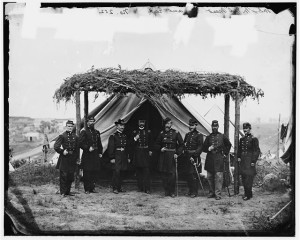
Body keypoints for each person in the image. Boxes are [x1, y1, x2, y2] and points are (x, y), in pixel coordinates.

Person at [202, 120, 232, 200]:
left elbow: (228, 145)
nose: (214, 128)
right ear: (211, 127)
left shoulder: (222, 136)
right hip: (210, 158)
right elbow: (203, 148)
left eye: (216, 126)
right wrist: (208, 148)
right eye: (213, 126)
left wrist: (225, 154)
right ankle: (211, 193)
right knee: (209, 177)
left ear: (218, 127)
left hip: (219, 158)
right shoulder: (208, 137)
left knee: (218, 177)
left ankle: (218, 194)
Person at [154, 117, 184, 197]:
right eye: (166, 123)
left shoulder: (176, 133)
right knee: (164, 174)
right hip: (163, 155)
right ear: (164, 124)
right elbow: (156, 144)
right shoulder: (161, 133)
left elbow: (181, 145)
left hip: (172, 155)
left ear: (171, 124)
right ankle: (166, 190)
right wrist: (160, 148)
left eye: (169, 123)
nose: (167, 125)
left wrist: (177, 153)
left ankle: (172, 191)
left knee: (172, 174)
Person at [54, 120, 79, 197]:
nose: (70, 128)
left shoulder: (76, 136)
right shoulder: (62, 136)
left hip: (72, 158)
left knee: (70, 176)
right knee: (64, 176)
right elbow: (56, 146)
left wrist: (78, 158)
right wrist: (62, 151)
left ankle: (68, 191)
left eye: (71, 126)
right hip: (64, 158)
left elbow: (77, 149)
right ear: (66, 127)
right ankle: (63, 192)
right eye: (68, 126)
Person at [79, 116, 103, 194]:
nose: (92, 122)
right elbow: (80, 143)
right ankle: (87, 189)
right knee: (87, 172)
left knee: (94, 171)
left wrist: (100, 152)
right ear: (87, 122)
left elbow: (99, 143)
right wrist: (87, 148)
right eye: (90, 121)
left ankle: (92, 188)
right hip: (87, 155)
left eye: (93, 121)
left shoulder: (97, 132)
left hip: (95, 155)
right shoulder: (84, 131)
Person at [237, 122, 260, 200]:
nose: (245, 130)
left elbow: (256, 151)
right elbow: (239, 149)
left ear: (250, 129)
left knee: (249, 179)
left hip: (250, 162)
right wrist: (239, 157)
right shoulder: (242, 139)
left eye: (246, 128)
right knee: (244, 178)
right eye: (244, 129)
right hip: (243, 162)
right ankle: (246, 193)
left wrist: (253, 161)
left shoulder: (254, 139)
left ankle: (248, 194)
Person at [108, 119, 131, 194]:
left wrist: (127, 157)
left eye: (123, 125)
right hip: (117, 155)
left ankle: (119, 187)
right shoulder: (113, 136)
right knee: (116, 172)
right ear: (117, 126)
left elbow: (127, 147)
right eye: (120, 125)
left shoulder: (124, 136)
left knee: (122, 171)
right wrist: (112, 157)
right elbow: (111, 147)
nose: (122, 127)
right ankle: (115, 188)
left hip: (123, 155)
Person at [183, 118, 204, 198]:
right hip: (188, 156)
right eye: (190, 125)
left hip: (195, 157)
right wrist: (186, 152)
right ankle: (190, 190)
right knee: (188, 174)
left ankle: (195, 192)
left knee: (194, 174)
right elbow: (184, 145)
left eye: (192, 125)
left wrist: (193, 155)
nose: (190, 127)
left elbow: (200, 147)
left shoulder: (199, 135)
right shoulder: (187, 135)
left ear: (196, 126)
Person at [133, 120, 153, 194]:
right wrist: (135, 139)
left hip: (146, 152)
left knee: (146, 171)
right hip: (138, 152)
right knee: (139, 171)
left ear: (144, 123)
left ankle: (147, 188)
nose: (141, 124)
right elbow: (130, 143)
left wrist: (150, 150)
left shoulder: (148, 132)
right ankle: (140, 187)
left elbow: (151, 142)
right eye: (140, 122)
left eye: (143, 122)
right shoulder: (135, 132)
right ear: (138, 123)